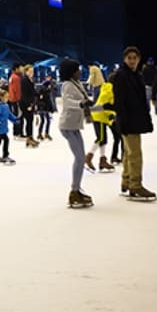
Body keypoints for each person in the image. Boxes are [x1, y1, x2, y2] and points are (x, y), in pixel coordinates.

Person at [112, 46, 156, 201]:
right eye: (129, 58)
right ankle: (135, 185)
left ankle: (126, 181)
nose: (132, 60)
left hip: (133, 119)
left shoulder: (135, 74)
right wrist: (123, 120)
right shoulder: (122, 76)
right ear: (124, 59)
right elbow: (119, 101)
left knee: (128, 152)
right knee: (135, 153)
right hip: (128, 120)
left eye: (134, 58)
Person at [58, 60, 95, 208]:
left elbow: (85, 105)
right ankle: (74, 192)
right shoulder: (67, 85)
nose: (80, 72)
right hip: (67, 126)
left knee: (80, 158)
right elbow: (67, 102)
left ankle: (76, 190)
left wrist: (104, 108)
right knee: (80, 159)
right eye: (77, 70)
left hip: (74, 126)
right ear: (71, 71)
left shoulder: (76, 84)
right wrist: (81, 104)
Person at [86, 74, 116, 173]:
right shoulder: (111, 90)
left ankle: (102, 160)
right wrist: (112, 114)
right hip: (101, 116)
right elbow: (107, 105)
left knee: (103, 139)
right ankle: (89, 156)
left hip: (99, 115)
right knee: (101, 138)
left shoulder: (106, 88)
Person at [0, 89, 17, 165]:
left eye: (8, 97)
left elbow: (9, 115)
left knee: (1, 141)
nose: (7, 99)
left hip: (3, 127)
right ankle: (1, 156)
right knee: (3, 140)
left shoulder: (6, 106)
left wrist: (14, 119)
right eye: (6, 97)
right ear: (1, 98)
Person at [20, 65, 39, 148]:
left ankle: (30, 137)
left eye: (32, 71)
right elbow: (24, 93)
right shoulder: (24, 80)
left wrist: (38, 94)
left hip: (29, 102)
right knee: (29, 121)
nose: (32, 73)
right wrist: (28, 104)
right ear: (26, 71)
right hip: (26, 104)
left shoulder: (29, 79)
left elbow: (32, 91)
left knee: (30, 121)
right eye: (30, 71)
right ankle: (29, 138)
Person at [8, 63, 23, 139]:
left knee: (15, 115)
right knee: (18, 116)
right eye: (20, 68)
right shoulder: (16, 78)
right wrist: (19, 99)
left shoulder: (11, 77)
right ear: (16, 69)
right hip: (16, 100)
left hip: (12, 99)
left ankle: (15, 132)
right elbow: (17, 90)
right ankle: (17, 132)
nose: (21, 69)